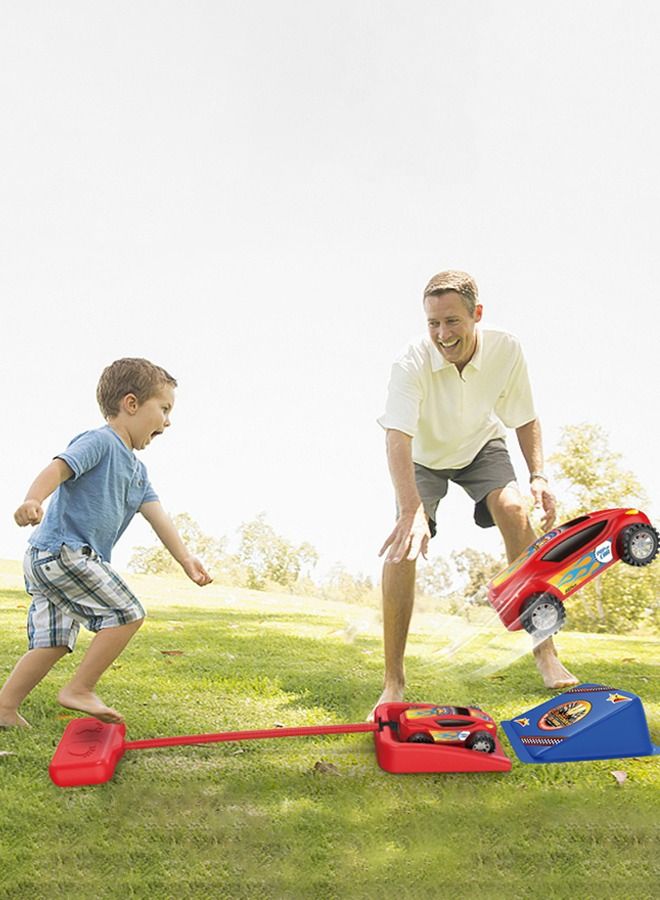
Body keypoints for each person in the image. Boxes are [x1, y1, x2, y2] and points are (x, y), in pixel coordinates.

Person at [374, 270, 578, 712]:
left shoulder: (506, 349)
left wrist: (538, 476)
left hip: (482, 445)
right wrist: (412, 511)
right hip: (423, 456)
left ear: (476, 315)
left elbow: (524, 416)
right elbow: (397, 438)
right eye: (433, 324)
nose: (442, 335)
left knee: (513, 509)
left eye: (452, 322)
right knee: (402, 547)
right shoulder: (410, 362)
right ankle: (393, 682)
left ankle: (545, 653)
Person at [0, 357, 212, 728]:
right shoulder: (101, 441)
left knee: (53, 641)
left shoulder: (137, 471)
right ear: (131, 404)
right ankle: (80, 688)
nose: (168, 421)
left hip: (52, 558)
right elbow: (58, 468)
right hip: (64, 552)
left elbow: (157, 516)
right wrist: (34, 499)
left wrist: (185, 558)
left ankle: (3, 708)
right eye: (163, 409)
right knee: (128, 613)